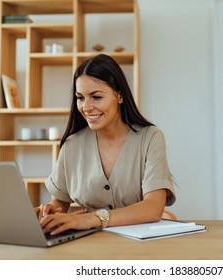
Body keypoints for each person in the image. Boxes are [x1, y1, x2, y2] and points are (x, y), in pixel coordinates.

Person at [35, 54, 176, 235]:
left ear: (119, 96)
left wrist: (91, 219)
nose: (86, 107)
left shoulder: (150, 138)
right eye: (80, 97)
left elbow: (153, 207)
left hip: (140, 244)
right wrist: (49, 212)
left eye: (96, 97)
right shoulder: (71, 145)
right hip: (89, 243)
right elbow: (59, 203)